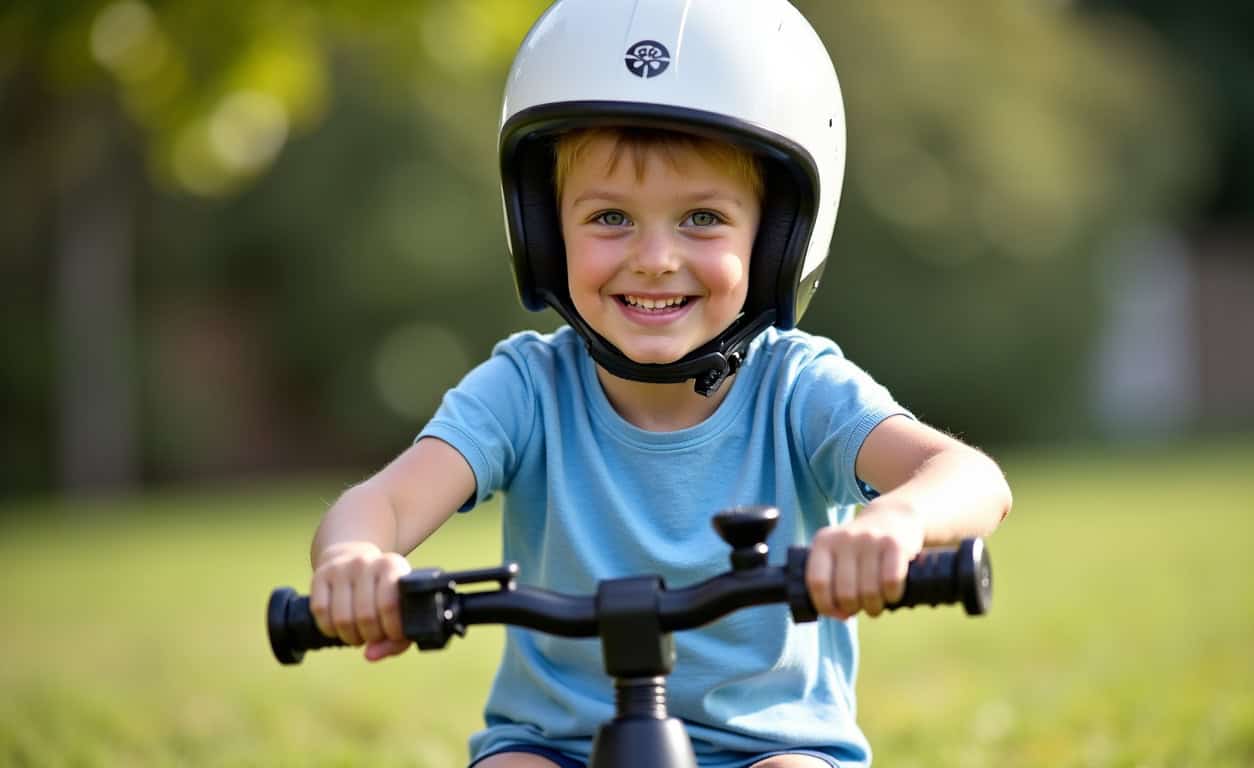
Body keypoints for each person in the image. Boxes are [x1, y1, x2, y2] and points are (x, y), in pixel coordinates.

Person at [307, 1, 1012, 766]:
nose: (653, 259)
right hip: (556, 746)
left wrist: (894, 524)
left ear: (777, 241)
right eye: (610, 217)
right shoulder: (525, 389)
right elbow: (383, 502)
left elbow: (971, 478)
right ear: (543, 233)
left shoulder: (798, 389)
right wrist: (355, 561)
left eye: (702, 218)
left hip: (769, 746)